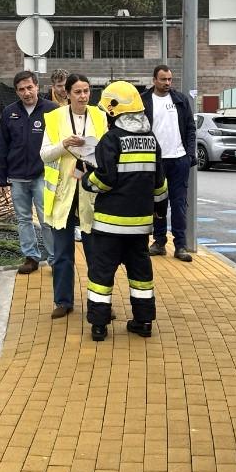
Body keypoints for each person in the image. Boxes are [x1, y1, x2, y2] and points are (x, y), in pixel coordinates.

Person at [81, 81, 168, 342]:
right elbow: (160, 184)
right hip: (140, 226)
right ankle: (143, 322)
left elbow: (104, 180)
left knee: (101, 275)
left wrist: (87, 180)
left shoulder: (111, 139)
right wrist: (160, 212)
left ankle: (99, 326)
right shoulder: (151, 140)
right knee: (141, 274)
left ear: (113, 112)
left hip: (109, 225)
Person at [40, 73, 108, 318]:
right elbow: (45, 155)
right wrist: (64, 145)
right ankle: (63, 301)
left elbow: (107, 152)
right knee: (62, 253)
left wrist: (92, 151)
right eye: (78, 92)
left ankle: (99, 303)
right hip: (63, 193)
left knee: (96, 253)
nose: (83, 96)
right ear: (67, 94)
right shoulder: (55, 117)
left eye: (87, 91)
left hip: (90, 191)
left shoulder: (100, 116)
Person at [0, 70, 54, 273]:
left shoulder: (52, 111)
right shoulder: (9, 112)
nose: (26, 92)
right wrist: (1, 179)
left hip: (42, 175)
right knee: (23, 219)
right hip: (17, 176)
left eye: (29, 87)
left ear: (37, 86)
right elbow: (2, 145)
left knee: (47, 219)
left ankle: (55, 259)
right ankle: (31, 257)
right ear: (16, 92)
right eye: (21, 89)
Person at [141, 64, 195, 261]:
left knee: (179, 204)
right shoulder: (144, 100)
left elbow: (190, 128)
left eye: (169, 79)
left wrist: (189, 155)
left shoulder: (181, 100)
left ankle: (180, 245)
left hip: (179, 160)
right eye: (163, 79)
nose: (167, 83)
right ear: (154, 80)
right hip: (156, 161)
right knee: (157, 204)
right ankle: (159, 242)